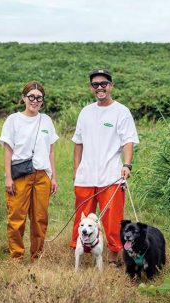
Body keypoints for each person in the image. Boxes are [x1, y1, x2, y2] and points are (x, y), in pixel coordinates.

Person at [69, 69, 139, 266]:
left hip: (111, 175)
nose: (100, 87)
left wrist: (126, 165)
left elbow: (128, 142)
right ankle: (80, 253)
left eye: (103, 83)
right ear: (91, 87)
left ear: (111, 85)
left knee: (112, 219)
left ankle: (113, 257)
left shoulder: (121, 111)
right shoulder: (86, 112)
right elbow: (78, 142)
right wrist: (76, 169)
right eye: (95, 84)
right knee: (82, 218)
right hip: (86, 175)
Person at [0, 81, 59, 262]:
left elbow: (51, 151)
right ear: (24, 98)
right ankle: (16, 256)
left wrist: (53, 177)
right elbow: (8, 150)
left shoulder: (46, 120)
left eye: (39, 98)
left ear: (42, 101)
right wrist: (8, 177)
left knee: (40, 218)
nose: (34, 101)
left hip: (42, 176)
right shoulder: (13, 120)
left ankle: (36, 256)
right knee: (16, 217)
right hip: (20, 175)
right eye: (31, 96)